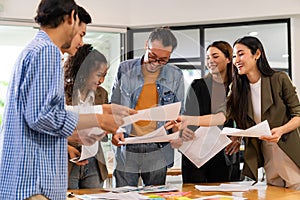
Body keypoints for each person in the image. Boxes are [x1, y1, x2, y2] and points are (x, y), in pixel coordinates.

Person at [0, 1, 127, 199]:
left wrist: (99, 111)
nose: (81, 42)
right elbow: (42, 117)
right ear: (72, 18)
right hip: (35, 182)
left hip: (25, 179)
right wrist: (99, 120)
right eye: (82, 34)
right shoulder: (47, 51)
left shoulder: (34, 49)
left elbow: (38, 114)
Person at [111, 27, 185, 187]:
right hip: (127, 144)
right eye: (152, 56)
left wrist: (176, 131)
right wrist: (116, 130)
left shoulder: (175, 75)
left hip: (158, 147)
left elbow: (179, 112)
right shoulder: (125, 69)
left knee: (156, 196)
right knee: (124, 197)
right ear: (146, 45)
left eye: (163, 59)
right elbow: (113, 106)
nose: (156, 63)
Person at [226, 36, 300, 190]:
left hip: (287, 146)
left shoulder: (279, 79)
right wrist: (237, 135)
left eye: (241, 54)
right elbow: (228, 116)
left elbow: (298, 115)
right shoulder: (237, 88)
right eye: (234, 56)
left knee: (295, 190)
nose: (236, 60)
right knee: (275, 192)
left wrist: (280, 130)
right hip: (264, 149)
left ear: (257, 54)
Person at [178, 41, 241, 183]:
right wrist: (183, 130)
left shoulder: (237, 88)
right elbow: (187, 117)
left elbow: (242, 118)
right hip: (196, 151)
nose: (210, 61)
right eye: (207, 57)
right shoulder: (197, 86)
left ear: (228, 58)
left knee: (223, 195)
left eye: (215, 56)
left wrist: (238, 137)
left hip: (224, 152)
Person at [64, 44, 109, 189]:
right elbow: (52, 127)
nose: (101, 80)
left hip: (94, 162)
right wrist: (65, 147)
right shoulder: (61, 93)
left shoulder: (102, 94)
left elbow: (105, 129)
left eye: (104, 76)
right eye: (98, 75)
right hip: (68, 161)